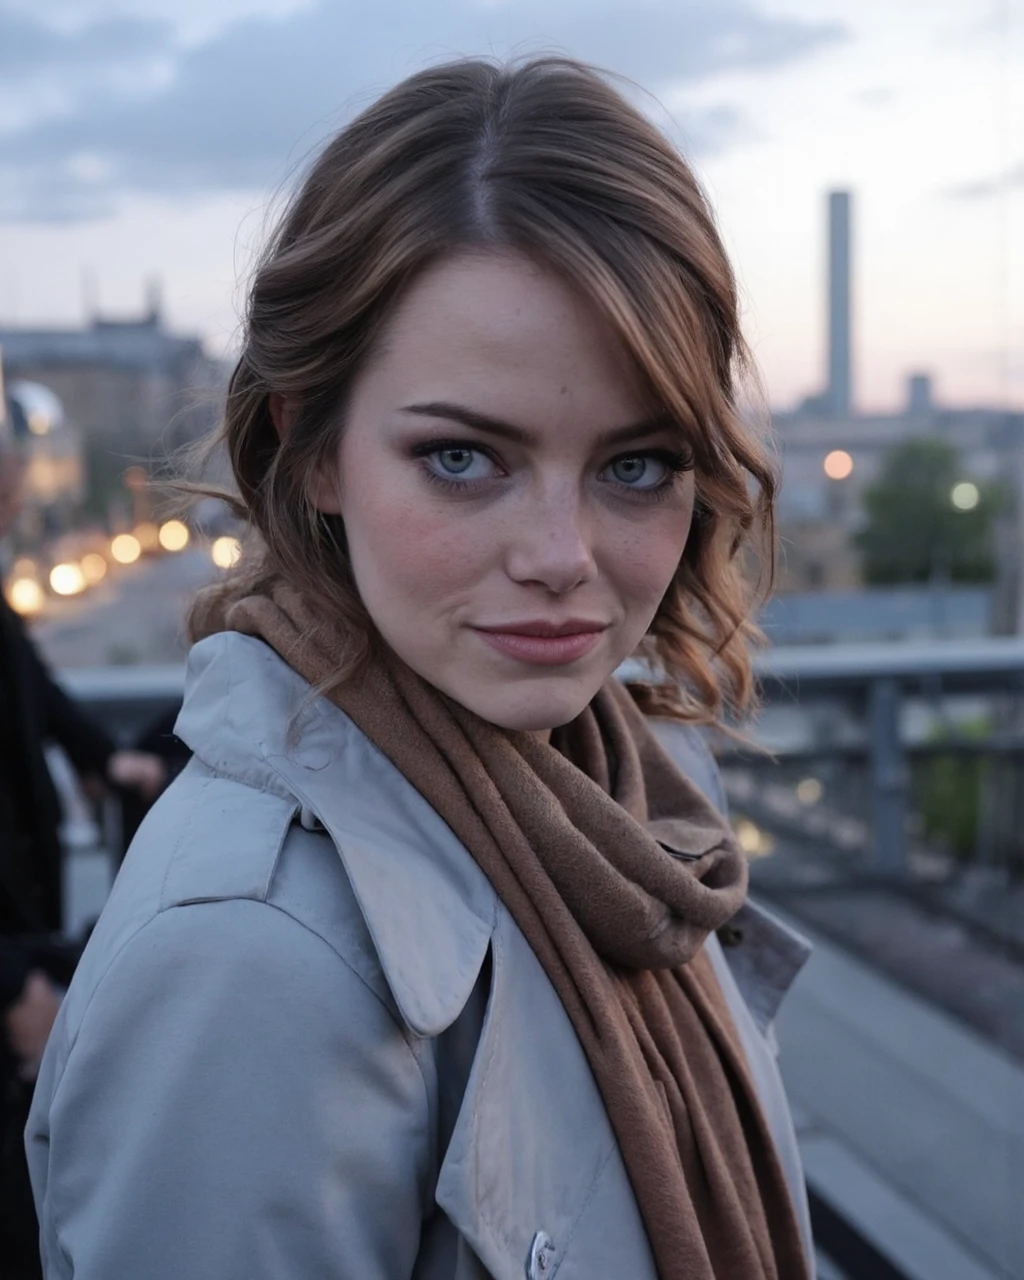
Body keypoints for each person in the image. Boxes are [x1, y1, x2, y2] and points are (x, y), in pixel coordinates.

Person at [26, 58, 815, 1279]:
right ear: (316, 446)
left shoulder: (611, 811)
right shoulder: (253, 963)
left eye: (636, 465)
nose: (562, 558)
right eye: (462, 458)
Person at [0, 449, 165, 1277]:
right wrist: (8, 989)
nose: (19, 492)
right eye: (8, 474)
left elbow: (42, 698)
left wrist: (111, 759)